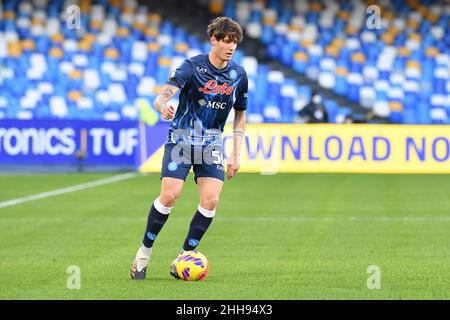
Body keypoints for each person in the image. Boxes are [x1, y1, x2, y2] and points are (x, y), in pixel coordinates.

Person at [131, 17, 248, 280]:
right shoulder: (192, 66)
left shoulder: (238, 75)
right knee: (170, 196)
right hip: (182, 139)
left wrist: (236, 152)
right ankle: (143, 254)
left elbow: (240, 115)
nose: (231, 47)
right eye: (226, 41)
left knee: (211, 200)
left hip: (212, 143)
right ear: (214, 40)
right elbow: (164, 95)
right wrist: (162, 106)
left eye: (235, 42)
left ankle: (184, 257)